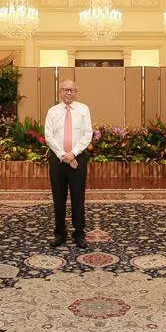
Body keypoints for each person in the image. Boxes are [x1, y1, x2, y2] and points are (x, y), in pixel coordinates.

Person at [44, 80, 94, 249]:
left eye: (72, 90)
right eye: (65, 90)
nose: (68, 93)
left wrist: (73, 154)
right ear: (60, 92)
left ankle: (79, 234)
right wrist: (62, 155)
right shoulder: (52, 111)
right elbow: (48, 135)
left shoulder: (83, 109)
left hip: (78, 159)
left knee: (78, 197)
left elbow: (88, 133)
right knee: (58, 198)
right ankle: (60, 233)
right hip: (57, 159)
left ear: (76, 92)